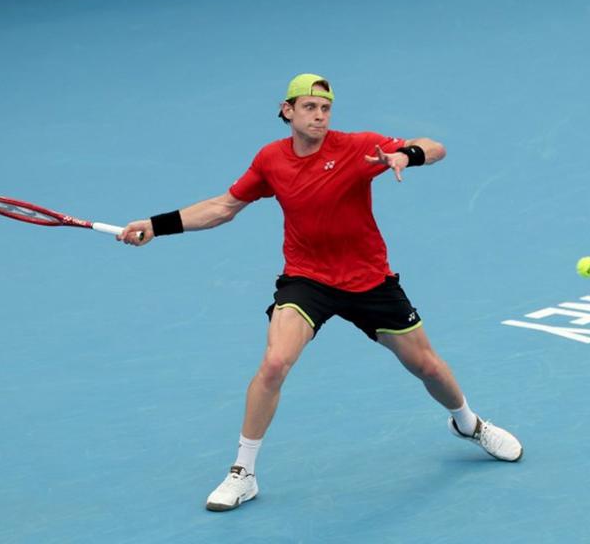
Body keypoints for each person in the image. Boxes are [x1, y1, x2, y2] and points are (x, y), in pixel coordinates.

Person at [117, 73, 522, 512]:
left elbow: (435, 147)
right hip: (307, 280)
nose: (320, 116)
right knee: (275, 363)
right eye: (310, 107)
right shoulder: (271, 160)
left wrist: (405, 155)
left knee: (427, 366)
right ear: (287, 110)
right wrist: (155, 226)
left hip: (369, 279)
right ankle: (243, 472)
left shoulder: (358, 147)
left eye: (326, 108)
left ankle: (468, 423)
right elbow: (222, 207)